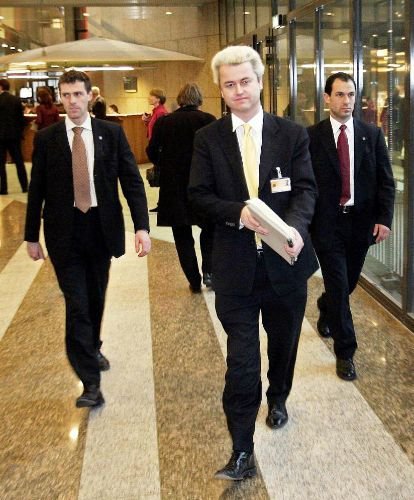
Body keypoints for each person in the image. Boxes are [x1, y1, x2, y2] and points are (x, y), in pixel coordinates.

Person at [188, 45, 318, 481]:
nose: (238, 90)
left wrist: (295, 228)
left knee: (282, 346)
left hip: (286, 265)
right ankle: (241, 449)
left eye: (245, 81)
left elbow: (306, 189)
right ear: (220, 90)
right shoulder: (208, 139)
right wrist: (236, 213)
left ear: (260, 82)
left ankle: (278, 396)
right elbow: (198, 196)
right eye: (229, 84)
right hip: (235, 269)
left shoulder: (291, 134)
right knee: (242, 363)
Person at [24, 70, 151, 409]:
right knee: (77, 304)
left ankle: (92, 346)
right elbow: (36, 189)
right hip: (63, 233)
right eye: (66, 95)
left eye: (77, 94)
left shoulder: (111, 133)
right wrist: (31, 236)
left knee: (95, 298)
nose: (72, 101)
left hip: (100, 229)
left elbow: (131, 181)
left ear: (89, 96)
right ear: (60, 98)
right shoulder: (47, 138)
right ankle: (90, 381)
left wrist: (142, 226)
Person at [308, 72, 395, 381]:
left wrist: (384, 218)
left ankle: (325, 305)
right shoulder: (312, 136)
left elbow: (386, 181)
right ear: (327, 98)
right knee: (338, 283)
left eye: (351, 95)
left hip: (361, 224)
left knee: (347, 284)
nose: (347, 101)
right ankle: (345, 352)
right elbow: (305, 184)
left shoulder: (371, 135)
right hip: (327, 224)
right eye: (340, 94)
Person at [146, 83, 216, 292]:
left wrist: (166, 163)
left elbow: (151, 151)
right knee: (210, 228)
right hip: (203, 185)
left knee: (182, 234)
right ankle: (209, 271)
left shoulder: (165, 122)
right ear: (199, 99)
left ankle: (193, 279)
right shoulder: (208, 120)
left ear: (180, 99)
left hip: (174, 186)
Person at [0, 78, 28, 195]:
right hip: (14, 136)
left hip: (0, 137)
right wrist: (19, 132)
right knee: (19, 161)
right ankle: (25, 186)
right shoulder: (16, 100)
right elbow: (21, 119)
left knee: (1, 164)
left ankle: (4, 189)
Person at [142, 88, 168, 212]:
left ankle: (163, 203)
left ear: (158, 98)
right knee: (160, 175)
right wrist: (146, 122)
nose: (149, 98)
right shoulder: (156, 111)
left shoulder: (161, 112)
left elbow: (160, 130)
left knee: (161, 176)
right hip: (155, 146)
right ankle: (161, 203)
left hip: (159, 148)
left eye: (151, 96)